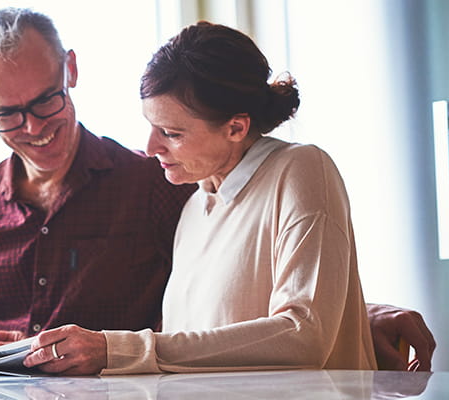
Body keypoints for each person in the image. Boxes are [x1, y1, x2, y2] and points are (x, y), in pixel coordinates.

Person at [0, 8, 435, 372]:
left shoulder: (165, 187)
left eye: (45, 101)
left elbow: (283, 308)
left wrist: (357, 311)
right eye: (6, 114)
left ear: (72, 73)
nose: (32, 127)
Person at [20, 20, 410, 375]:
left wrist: (117, 349)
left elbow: (303, 335)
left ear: (236, 127)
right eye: (151, 127)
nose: (151, 146)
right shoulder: (195, 205)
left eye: (171, 133)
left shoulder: (301, 169)